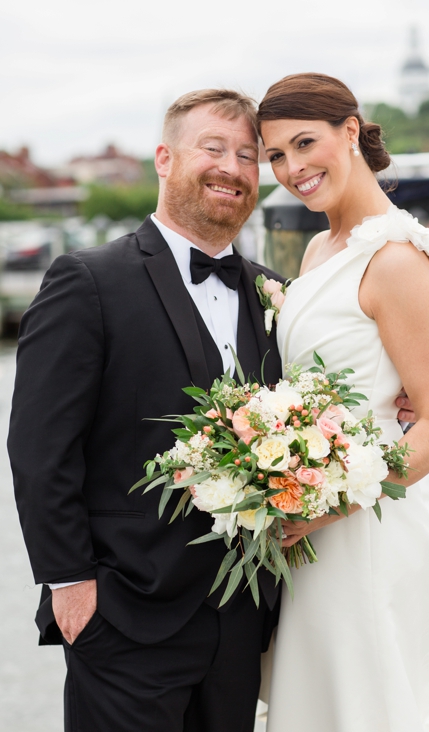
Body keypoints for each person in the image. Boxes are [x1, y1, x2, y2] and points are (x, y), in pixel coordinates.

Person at [9, 90, 283, 731]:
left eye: (248, 156)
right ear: (164, 158)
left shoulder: (275, 293)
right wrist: (70, 584)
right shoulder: (87, 280)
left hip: (241, 622)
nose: (233, 168)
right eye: (212, 149)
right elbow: (41, 447)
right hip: (123, 614)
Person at [256, 73, 429, 732]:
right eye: (275, 156)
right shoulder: (323, 247)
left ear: (351, 131)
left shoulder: (397, 257)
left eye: (304, 143)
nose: (293, 168)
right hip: (310, 528)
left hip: (363, 530)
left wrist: (325, 508)